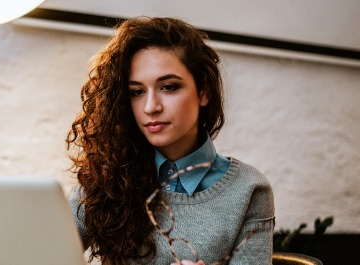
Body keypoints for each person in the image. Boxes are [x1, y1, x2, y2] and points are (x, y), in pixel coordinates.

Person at [66, 17, 275, 265]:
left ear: (204, 91)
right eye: (137, 92)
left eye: (168, 87)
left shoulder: (249, 190)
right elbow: (41, 254)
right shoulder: (105, 177)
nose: (151, 107)